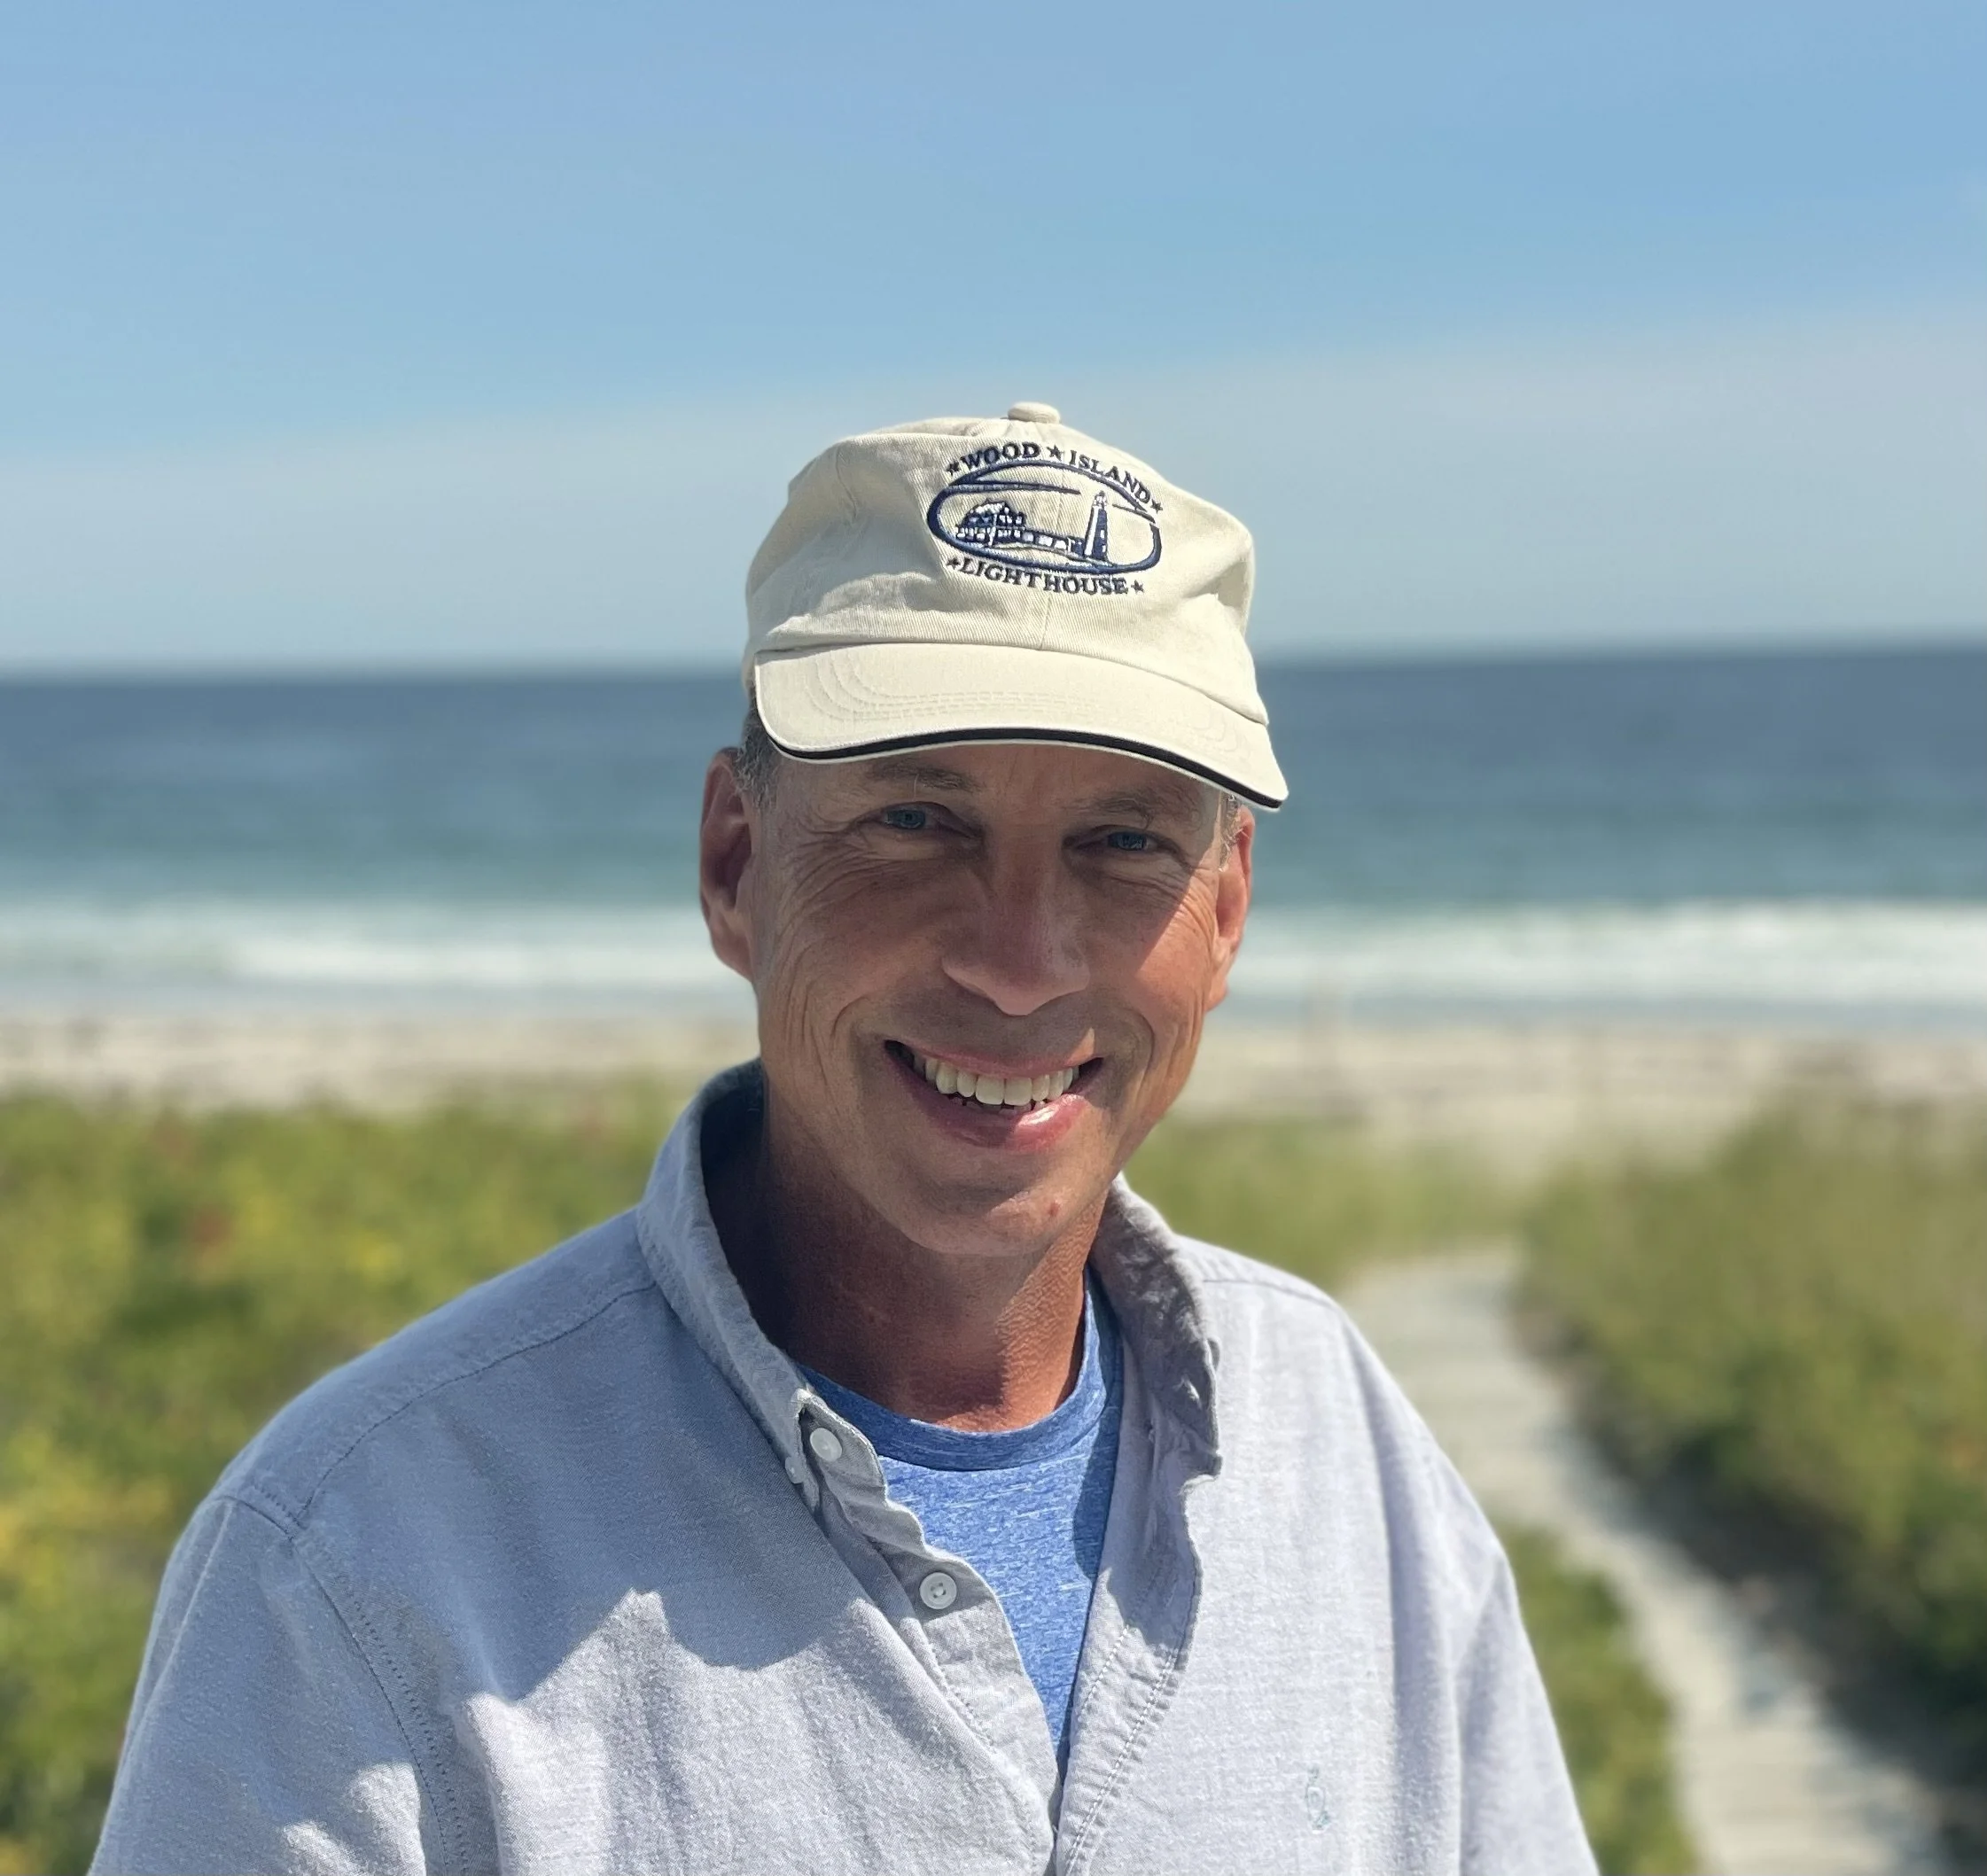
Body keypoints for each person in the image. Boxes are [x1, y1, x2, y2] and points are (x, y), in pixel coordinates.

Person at [93, 405, 1594, 1873]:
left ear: (1227, 907)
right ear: (734, 864)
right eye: (913, 822)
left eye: (1123, 840)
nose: (1019, 963)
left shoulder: (1336, 1443)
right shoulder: (358, 1558)